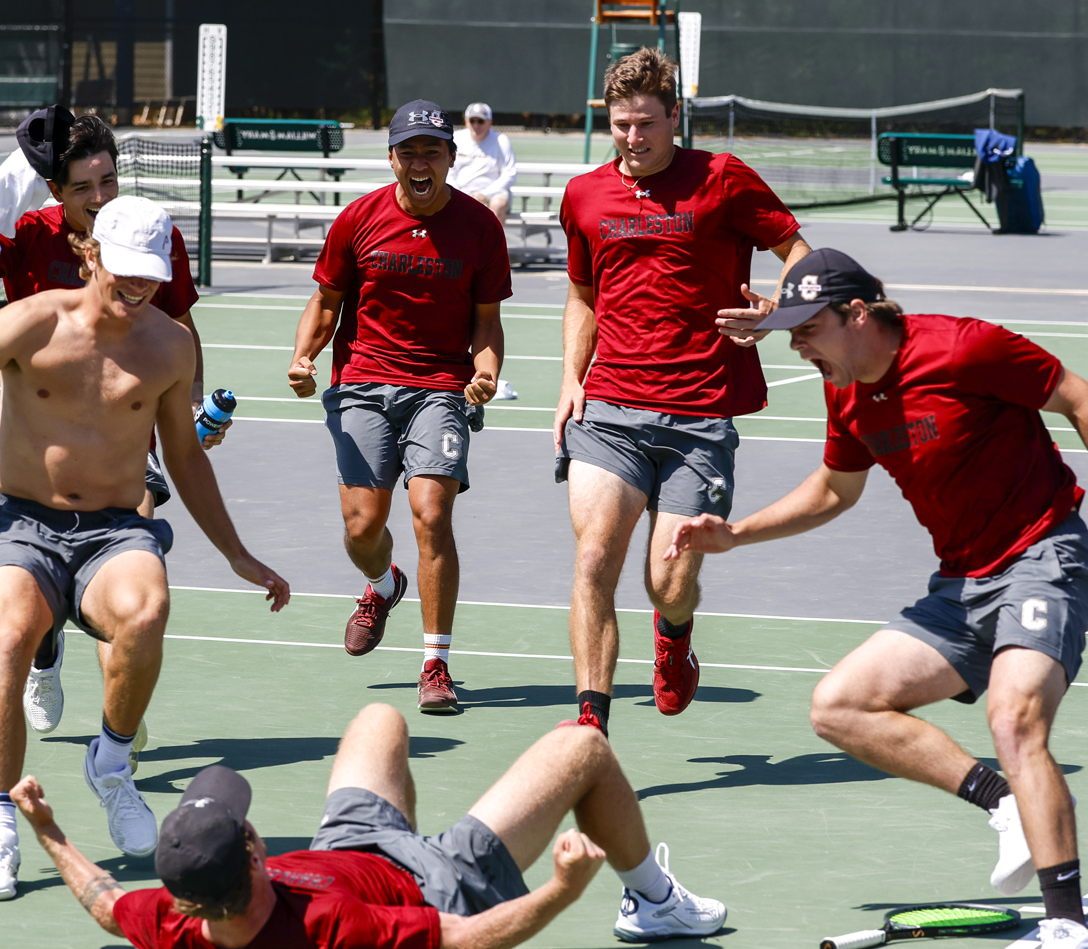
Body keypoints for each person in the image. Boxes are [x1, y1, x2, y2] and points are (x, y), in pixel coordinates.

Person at [667, 247, 1088, 949]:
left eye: (808, 327)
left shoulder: (963, 347)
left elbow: (1082, 399)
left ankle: (1073, 933)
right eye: (790, 330)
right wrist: (735, 534)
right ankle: (1003, 804)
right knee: (838, 706)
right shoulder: (844, 393)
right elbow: (836, 491)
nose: (797, 343)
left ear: (859, 315)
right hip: (961, 584)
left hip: (1044, 556)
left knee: (1015, 719)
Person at [0, 196, 290, 902]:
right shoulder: (33, 321)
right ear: (90, 255)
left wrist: (237, 552)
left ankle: (111, 764)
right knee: (11, 636)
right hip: (22, 523)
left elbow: (185, 455)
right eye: (125, 271)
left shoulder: (172, 345)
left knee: (146, 613)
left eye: (151, 273)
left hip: (116, 529)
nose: (139, 286)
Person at [7, 700, 727, 949]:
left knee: (378, 719)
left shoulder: (174, 921)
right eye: (244, 820)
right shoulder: (330, 937)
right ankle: (656, 901)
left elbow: (106, 905)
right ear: (254, 854)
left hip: (349, 846)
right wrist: (562, 891)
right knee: (582, 747)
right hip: (442, 879)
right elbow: (468, 941)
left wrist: (49, 832)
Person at [0, 107, 226, 738]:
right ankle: (44, 654)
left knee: (130, 571)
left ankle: (118, 718)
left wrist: (195, 403)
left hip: (127, 447)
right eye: (84, 186)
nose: (100, 197)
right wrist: (12, 179)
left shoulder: (150, 238)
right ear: (54, 188)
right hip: (39, 452)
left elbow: (182, 330)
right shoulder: (27, 231)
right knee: (35, 597)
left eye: (109, 181)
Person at [555, 47, 809, 735]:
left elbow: (802, 258)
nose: (633, 139)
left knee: (666, 582)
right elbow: (583, 298)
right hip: (608, 408)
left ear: (674, 117)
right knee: (593, 558)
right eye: (620, 125)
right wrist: (569, 382)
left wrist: (777, 314)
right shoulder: (583, 196)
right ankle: (591, 729)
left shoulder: (723, 179)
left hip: (700, 415)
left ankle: (674, 636)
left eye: (646, 124)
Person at [286, 99, 510, 714]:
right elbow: (327, 304)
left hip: (441, 387)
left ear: (450, 158)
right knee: (362, 528)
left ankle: (435, 663)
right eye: (407, 151)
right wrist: (304, 357)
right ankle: (383, 586)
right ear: (390, 159)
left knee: (432, 514)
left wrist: (486, 371)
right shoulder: (357, 220)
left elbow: (487, 323)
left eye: (430, 151)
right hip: (362, 382)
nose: (419, 162)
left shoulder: (481, 228)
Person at [446, 102, 516, 223]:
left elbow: (509, 174)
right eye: (472, 120)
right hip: (460, 191)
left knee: (498, 204)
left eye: (480, 121)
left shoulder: (500, 140)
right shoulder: (456, 138)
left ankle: (493, 241)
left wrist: (485, 194)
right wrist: (460, 194)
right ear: (466, 121)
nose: (476, 125)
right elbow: (449, 171)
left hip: (493, 193)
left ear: (490, 122)